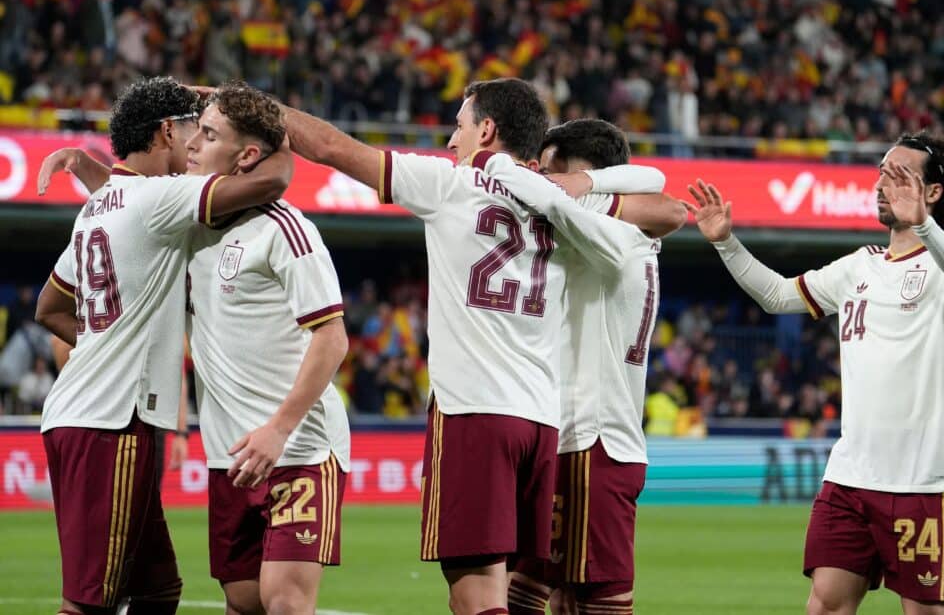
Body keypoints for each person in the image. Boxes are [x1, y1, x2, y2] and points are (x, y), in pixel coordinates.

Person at [277, 77, 661, 615]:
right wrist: (583, 185)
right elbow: (662, 201)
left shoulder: (451, 183)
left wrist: (255, 107)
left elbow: (332, 148)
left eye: (457, 127)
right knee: (517, 595)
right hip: (540, 421)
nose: (450, 143)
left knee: (476, 598)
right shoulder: (555, 204)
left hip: (474, 412)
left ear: (486, 129)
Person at [41, 82, 351, 615]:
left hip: (295, 448)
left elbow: (333, 336)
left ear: (245, 154)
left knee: (199, 596)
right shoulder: (180, 220)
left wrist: (88, 164)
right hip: (180, 439)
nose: (192, 145)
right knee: (216, 602)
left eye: (207, 134)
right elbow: (267, 173)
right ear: (166, 131)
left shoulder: (276, 227)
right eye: (193, 129)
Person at [683, 132, 944, 615]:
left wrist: (927, 229)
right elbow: (778, 296)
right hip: (850, 477)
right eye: (880, 173)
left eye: (898, 174)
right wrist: (726, 243)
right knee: (825, 604)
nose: (881, 184)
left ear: (932, 192)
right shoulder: (858, 267)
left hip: (925, 481)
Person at [503, 120, 672, 615]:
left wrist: (504, 169)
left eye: (555, 168)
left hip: (590, 443)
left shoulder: (608, 234)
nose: (544, 177)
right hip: (585, 438)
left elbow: (657, 185)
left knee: (590, 599)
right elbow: (654, 185)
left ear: (588, 173)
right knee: (552, 595)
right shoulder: (620, 231)